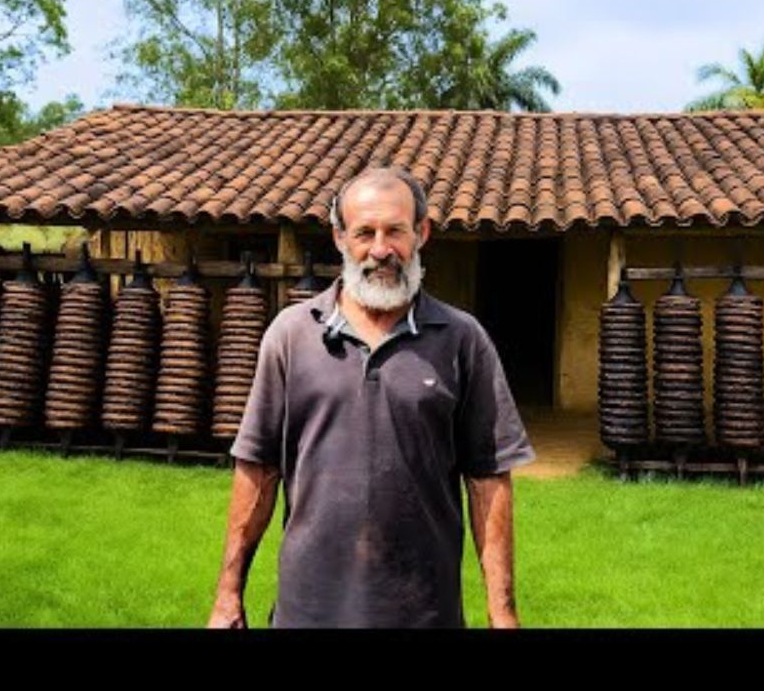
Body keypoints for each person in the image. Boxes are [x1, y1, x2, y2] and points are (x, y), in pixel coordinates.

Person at [207, 166, 536, 629]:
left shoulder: (463, 340)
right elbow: (258, 469)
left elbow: (488, 481)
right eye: (365, 232)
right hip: (309, 611)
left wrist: (502, 613)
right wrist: (227, 594)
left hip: (426, 612)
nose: (381, 250)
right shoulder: (292, 335)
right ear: (340, 238)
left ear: (421, 233)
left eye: (395, 231)